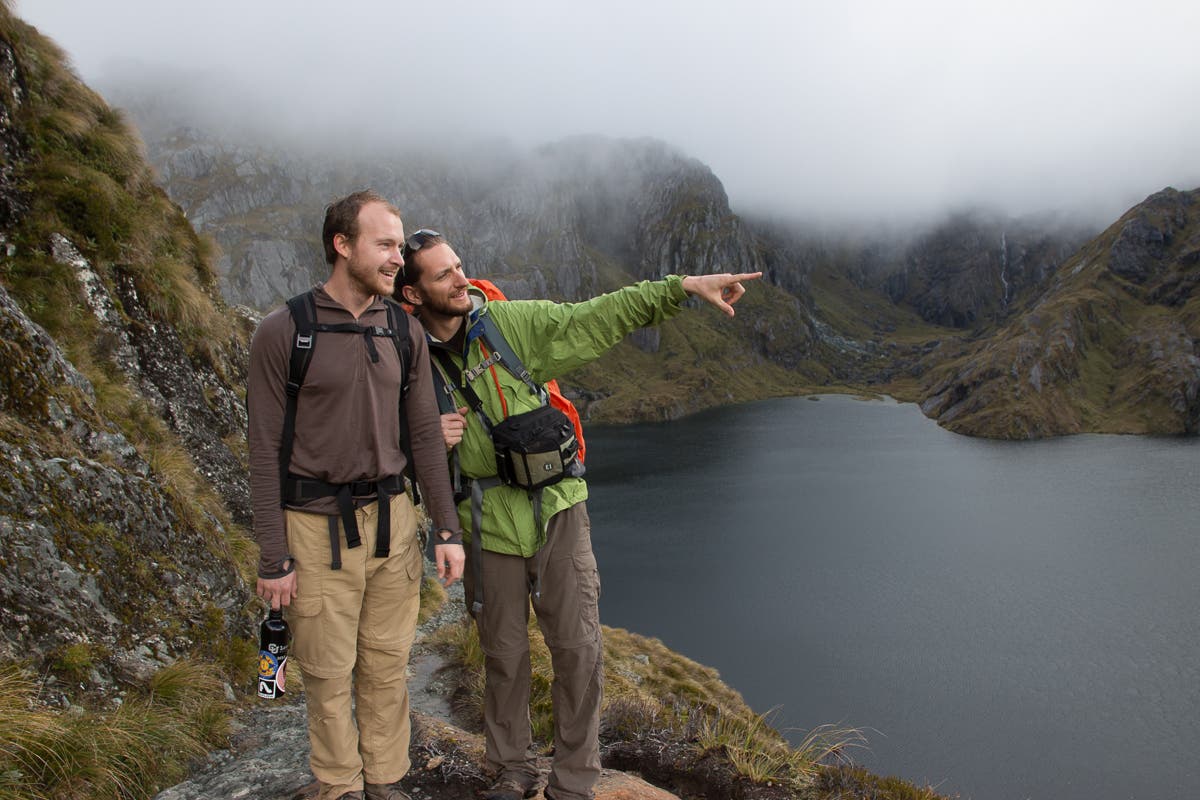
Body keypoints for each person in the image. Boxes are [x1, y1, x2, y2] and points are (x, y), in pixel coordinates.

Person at [396, 229, 759, 800]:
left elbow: (596, 316)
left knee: (578, 650)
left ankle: (573, 783)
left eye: (459, 266)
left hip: (557, 510)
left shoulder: (508, 326)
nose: (460, 278)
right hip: (486, 524)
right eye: (442, 275)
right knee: (503, 654)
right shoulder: (405, 356)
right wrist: (421, 437)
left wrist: (682, 287)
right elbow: (373, 431)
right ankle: (510, 768)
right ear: (412, 295)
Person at [247, 191, 466, 800]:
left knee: (387, 665)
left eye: (400, 246)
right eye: (386, 245)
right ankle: (339, 786)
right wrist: (273, 557)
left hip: (395, 522)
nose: (399, 258)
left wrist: (446, 531)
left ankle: (388, 782)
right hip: (314, 530)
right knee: (324, 674)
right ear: (342, 246)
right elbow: (264, 449)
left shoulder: (402, 328)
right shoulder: (285, 331)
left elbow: (425, 434)